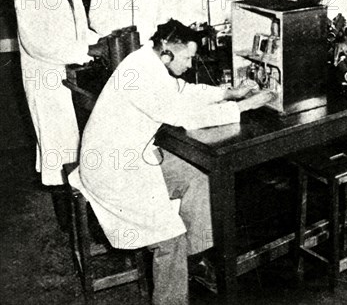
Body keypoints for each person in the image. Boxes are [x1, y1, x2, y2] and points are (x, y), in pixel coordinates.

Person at [69, 19, 274, 305]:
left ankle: (192, 261)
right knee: (171, 238)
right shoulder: (141, 72)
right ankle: (173, 286)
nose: (190, 64)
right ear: (167, 49)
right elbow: (184, 116)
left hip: (131, 158)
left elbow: (181, 91)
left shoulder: (147, 61)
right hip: (113, 173)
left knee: (199, 179)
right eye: (188, 57)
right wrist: (243, 106)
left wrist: (228, 93)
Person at [14, 0, 103, 186]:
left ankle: (77, 208)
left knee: (75, 148)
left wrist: (101, 40)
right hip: (46, 79)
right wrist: (87, 50)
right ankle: (66, 217)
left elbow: (80, 29)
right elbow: (37, 44)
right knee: (58, 153)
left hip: (71, 77)